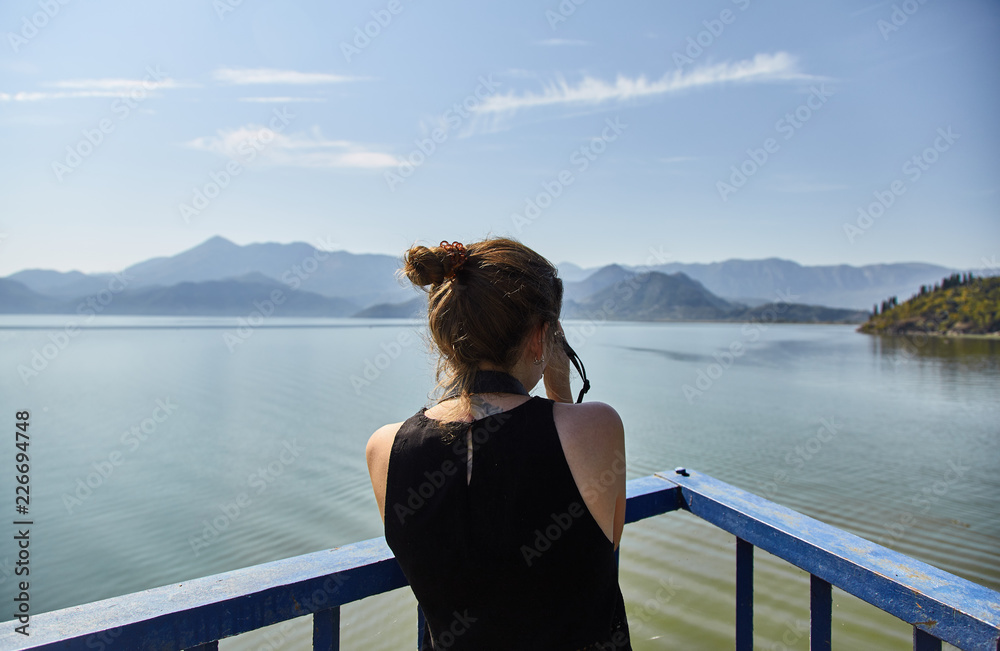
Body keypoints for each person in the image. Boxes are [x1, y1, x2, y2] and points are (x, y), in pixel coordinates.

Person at [365, 237, 631, 650]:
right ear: (543, 337)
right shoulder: (597, 428)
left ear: (445, 337)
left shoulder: (385, 448)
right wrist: (559, 388)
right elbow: (602, 544)